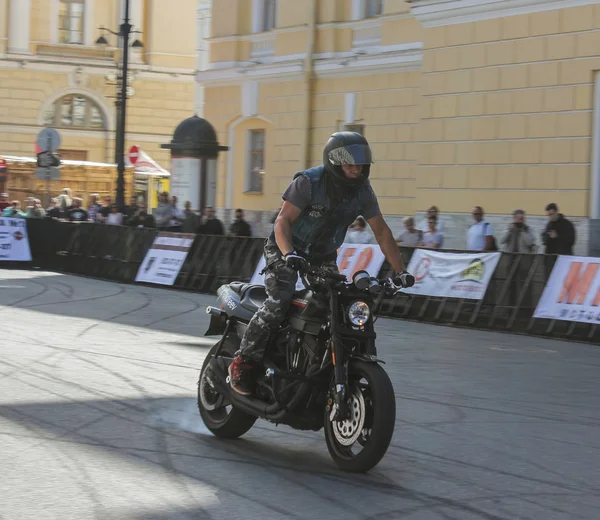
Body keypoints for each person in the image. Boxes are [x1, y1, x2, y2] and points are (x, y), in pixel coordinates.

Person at [228, 131, 415, 396]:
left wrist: (401, 272)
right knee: (280, 299)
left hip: (322, 256)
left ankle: (317, 364)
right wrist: (289, 253)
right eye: (350, 164)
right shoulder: (309, 182)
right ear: (335, 163)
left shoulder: (363, 192)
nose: (356, 169)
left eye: (360, 164)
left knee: (337, 305)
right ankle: (243, 361)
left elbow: (382, 232)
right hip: (286, 249)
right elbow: (282, 221)